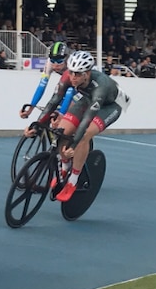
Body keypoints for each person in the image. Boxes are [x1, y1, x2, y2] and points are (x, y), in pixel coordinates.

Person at [24, 50, 129, 202]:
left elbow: (87, 119)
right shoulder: (68, 77)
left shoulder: (101, 85)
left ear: (87, 73)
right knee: (61, 131)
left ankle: (73, 181)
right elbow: (53, 102)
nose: (73, 77)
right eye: (72, 72)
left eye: (78, 74)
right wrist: (37, 125)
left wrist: (73, 145)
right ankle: (65, 169)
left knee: (84, 135)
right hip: (86, 99)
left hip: (109, 106)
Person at [19, 41, 74, 120]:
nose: (55, 65)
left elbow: (72, 89)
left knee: (69, 91)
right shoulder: (48, 63)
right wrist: (31, 108)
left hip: (77, 80)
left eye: (59, 61)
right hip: (66, 78)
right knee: (56, 94)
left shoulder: (71, 63)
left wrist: (61, 114)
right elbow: (42, 86)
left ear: (66, 59)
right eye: (52, 61)